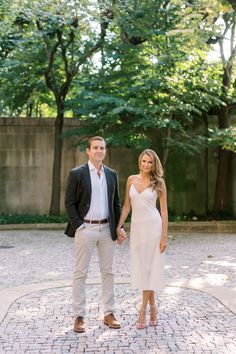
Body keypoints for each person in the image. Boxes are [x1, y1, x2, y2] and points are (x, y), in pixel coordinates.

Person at [64, 136, 125, 333]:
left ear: (105, 151)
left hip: (107, 229)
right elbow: (69, 202)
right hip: (86, 229)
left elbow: (116, 203)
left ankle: (109, 313)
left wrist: (118, 227)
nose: (99, 151)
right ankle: (79, 316)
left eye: (102, 148)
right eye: (95, 148)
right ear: (88, 151)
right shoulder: (77, 173)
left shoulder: (112, 174)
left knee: (108, 272)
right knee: (80, 272)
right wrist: (79, 225)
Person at [116, 149, 168, 329]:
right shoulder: (131, 179)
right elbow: (126, 207)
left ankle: (143, 310)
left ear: (155, 164)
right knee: (145, 270)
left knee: (149, 270)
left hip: (154, 230)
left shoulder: (159, 183)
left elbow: (164, 211)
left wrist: (164, 237)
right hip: (138, 230)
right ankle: (154, 308)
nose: (146, 165)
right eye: (144, 161)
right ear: (140, 161)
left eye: (150, 162)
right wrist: (119, 226)